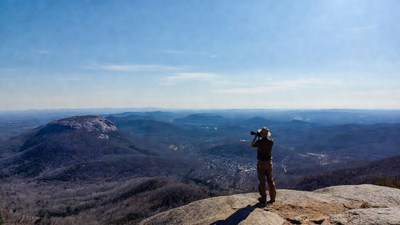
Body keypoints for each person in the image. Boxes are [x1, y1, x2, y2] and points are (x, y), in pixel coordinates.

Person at [251, 127, 276, 205]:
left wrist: (256, 136)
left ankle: (263, 198)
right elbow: (266, 140)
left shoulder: (259, 142)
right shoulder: (271, 142)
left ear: (261, 134)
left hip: (261, 163)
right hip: (269, 163)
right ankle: (272, 197)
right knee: (270, 180)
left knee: (262, 181)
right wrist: (261, 136)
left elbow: (252, 145)